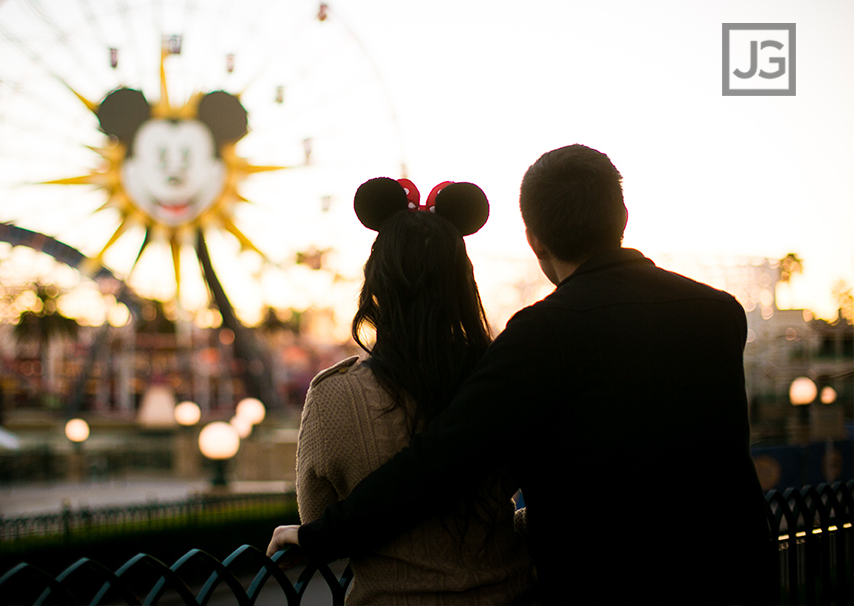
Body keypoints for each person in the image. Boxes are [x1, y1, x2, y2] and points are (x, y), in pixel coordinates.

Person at [270, 145, 774, 605]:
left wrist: (317, 538)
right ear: (622, 216)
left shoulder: (542, 335)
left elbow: (439, 461)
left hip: (608, 584)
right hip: (736, 574)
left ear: (533, 239)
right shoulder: (719, 312)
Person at [290, 177, 532, 604]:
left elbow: (317, 522)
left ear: (376, 286)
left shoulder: (331, 398)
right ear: (464, 285)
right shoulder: (506, 383)